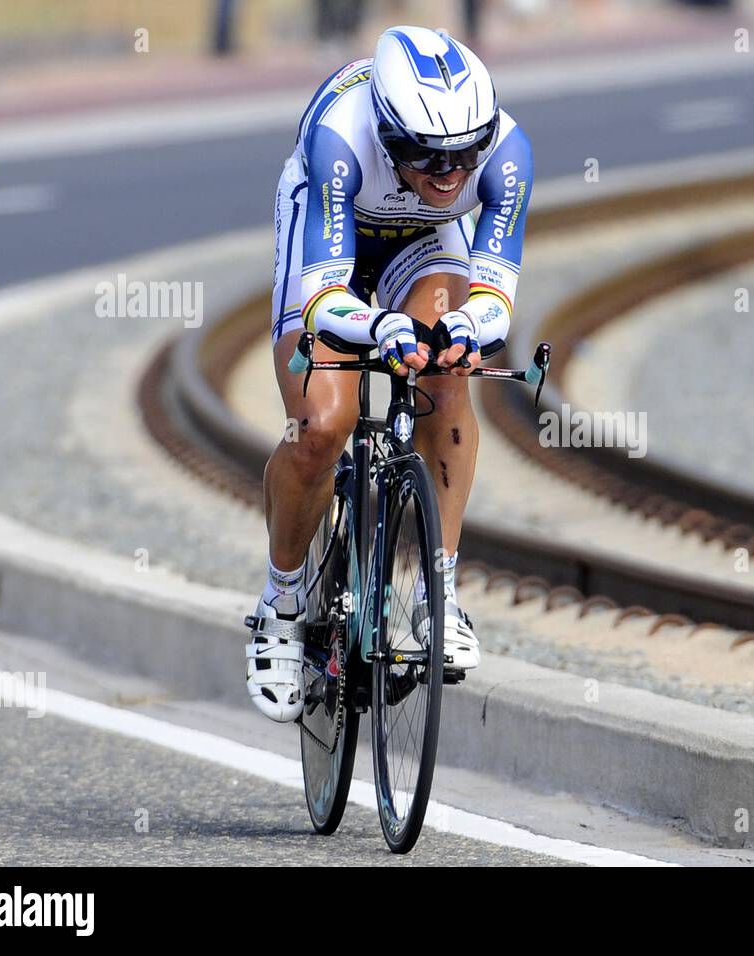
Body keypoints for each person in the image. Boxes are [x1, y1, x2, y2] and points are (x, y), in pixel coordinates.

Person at [245, 25, 532, 721]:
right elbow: (323, 296)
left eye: (463, 156)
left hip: (425, 242)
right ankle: (281, 604)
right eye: (422, 155)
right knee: (321, 425)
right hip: (331, 237)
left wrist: (467, 328)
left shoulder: (507, 153)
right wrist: (380, 327)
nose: (446, 173)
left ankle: (441, 597)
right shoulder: (339, 140)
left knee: (448, 373)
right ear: (383, 133)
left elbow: (497, 296)